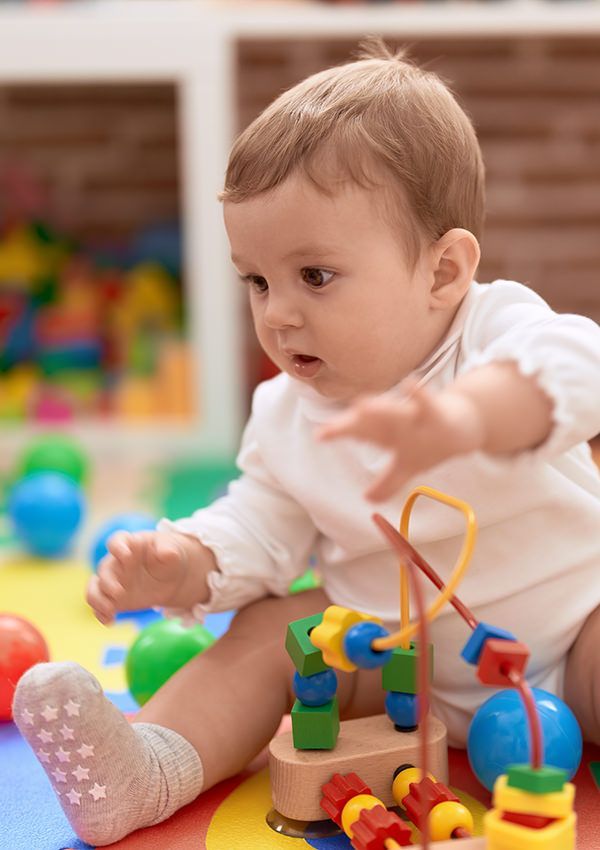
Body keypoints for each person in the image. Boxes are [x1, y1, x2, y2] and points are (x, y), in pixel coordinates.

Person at [13, 40, 600, 846]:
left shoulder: (493, 333)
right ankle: (150, 764)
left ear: (442, 273)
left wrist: (467, 417)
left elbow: (576, 363)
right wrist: (188, 559)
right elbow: (262, 522)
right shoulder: (287, 408)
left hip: (570, 637)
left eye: (313, 276)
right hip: (384, 669)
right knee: (269, 630)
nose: (277, 314)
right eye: (257, 280)